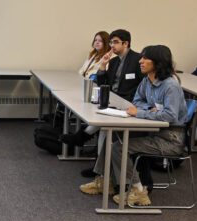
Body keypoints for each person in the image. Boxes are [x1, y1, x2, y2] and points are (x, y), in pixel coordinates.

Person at [80, 45, 188, 206]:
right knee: (114, 136)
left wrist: (140, 112)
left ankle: (138, 191)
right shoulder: (147, 80)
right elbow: (137, 102)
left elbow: (170, 115)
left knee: (118, 148)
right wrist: (145, 110)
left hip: (170, 138)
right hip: (153, 130)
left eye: (145, 58)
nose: (140, 61)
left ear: (158, 63)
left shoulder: (170, 86)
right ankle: (106, 181)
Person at [63, 29, 143, 149]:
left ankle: (82, 138)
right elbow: (102, 84)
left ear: (125, 43)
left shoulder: (137, 60)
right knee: (99, 114)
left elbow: (143, 85)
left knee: (104, 119)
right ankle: (85, 142)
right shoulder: (114, 61)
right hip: (114, 100)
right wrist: (103, 66)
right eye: (110, 42)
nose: (112, 45)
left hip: (129, 102)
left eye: (115, 42)